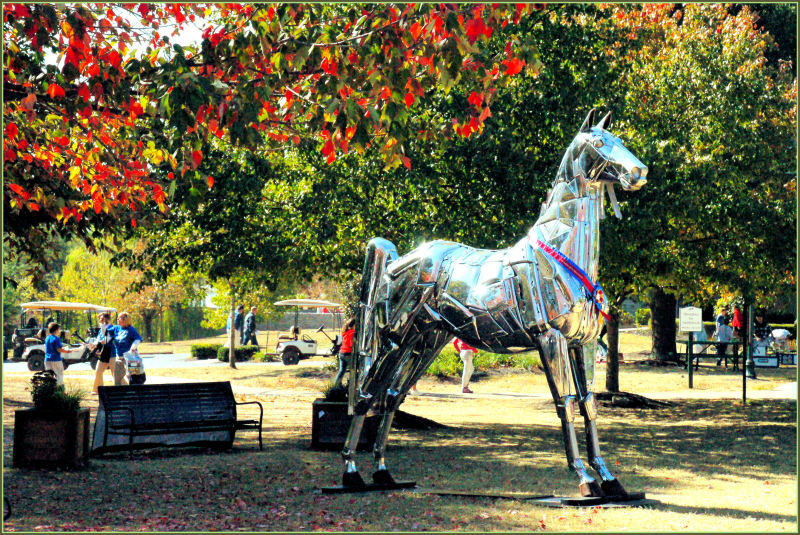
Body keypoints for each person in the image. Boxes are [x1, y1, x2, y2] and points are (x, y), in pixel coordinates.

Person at [110, 312, 142, 386]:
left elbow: (137, 339)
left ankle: (137, 394)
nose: (117, 320)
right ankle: (120, 395)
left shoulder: (131, 329)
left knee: (133, 379)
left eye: (119, 318)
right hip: (119, 358)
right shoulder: (116, 328)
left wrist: (133, 347)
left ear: (125, 320)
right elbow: (106, 333)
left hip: (131, 358)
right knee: (117, 380)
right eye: (117, 318)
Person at [91, 312, 115, 394]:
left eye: (102, 318)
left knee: (115, 372)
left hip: (112, 353)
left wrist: (101, 342)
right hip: (104, 353)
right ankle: (98, 390)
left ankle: (123, 389)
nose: (100, 320)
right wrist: (94, 344)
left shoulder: (111, 328)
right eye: (100, 318)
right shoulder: (101, 330)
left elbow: (107, 340)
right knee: (98, 371)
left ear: (107, 319)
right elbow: (98, 339)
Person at [333, 319, 355, 388]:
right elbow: (351, 344)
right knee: (353, 370)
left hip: (341, 353)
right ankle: (351, 385)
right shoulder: (353, 333)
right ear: (354, 325)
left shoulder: (345, 332)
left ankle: (336, 386)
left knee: (341, 371)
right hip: (348, 353)